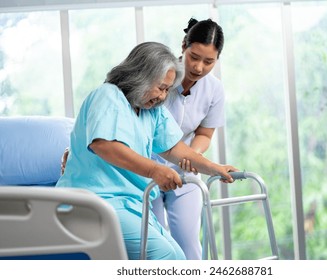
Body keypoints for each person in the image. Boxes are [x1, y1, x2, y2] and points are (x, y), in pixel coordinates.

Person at [56, 41, 237, 260]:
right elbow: (103, 145)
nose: (163, 96)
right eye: (161, 88)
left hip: (131, 205)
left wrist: (215, 168)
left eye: (168, 90)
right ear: (141, 76)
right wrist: (154, 171)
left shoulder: (152, 111)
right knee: (166, 258)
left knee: (180, 258)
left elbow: (174, 149)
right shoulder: (107, 95)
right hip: (93, 204)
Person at [151, 18, 226, 260]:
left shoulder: (214, 89)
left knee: (190, 248)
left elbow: (205, 133)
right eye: (194, 57)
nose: (199, 67)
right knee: (155, 245)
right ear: (183, 46)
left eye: (209, 61)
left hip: (185, 168)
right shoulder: (158, 76)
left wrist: (193, 155)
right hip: (146, 165)